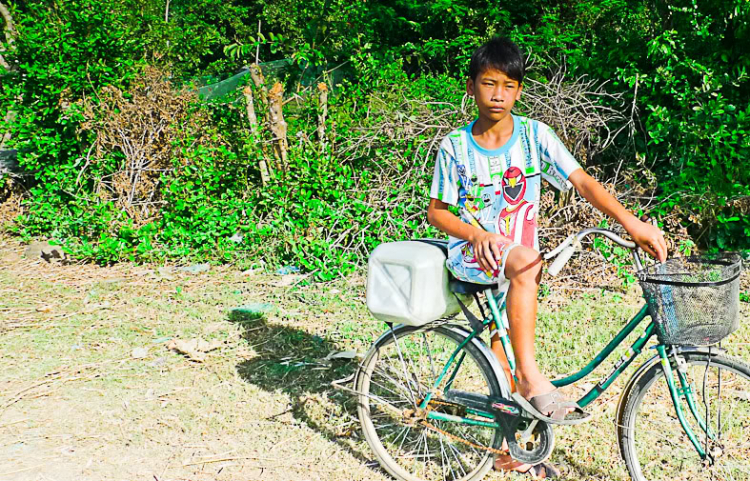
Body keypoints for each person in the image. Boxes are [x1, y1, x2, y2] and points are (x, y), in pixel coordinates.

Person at [427, 36, 668, 478]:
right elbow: (437, 213)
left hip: (516, 262)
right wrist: (475, 232)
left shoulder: (536, 136)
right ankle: (534, 377)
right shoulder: (455, 148)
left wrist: (631, 222)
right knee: (525, 271)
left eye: (508, 85)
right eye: (488, 83)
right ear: (471, 87)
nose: (498, 94)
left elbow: (583, 182)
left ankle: (513, 448)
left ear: (519, 91)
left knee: (503, 348)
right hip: (472, 253)